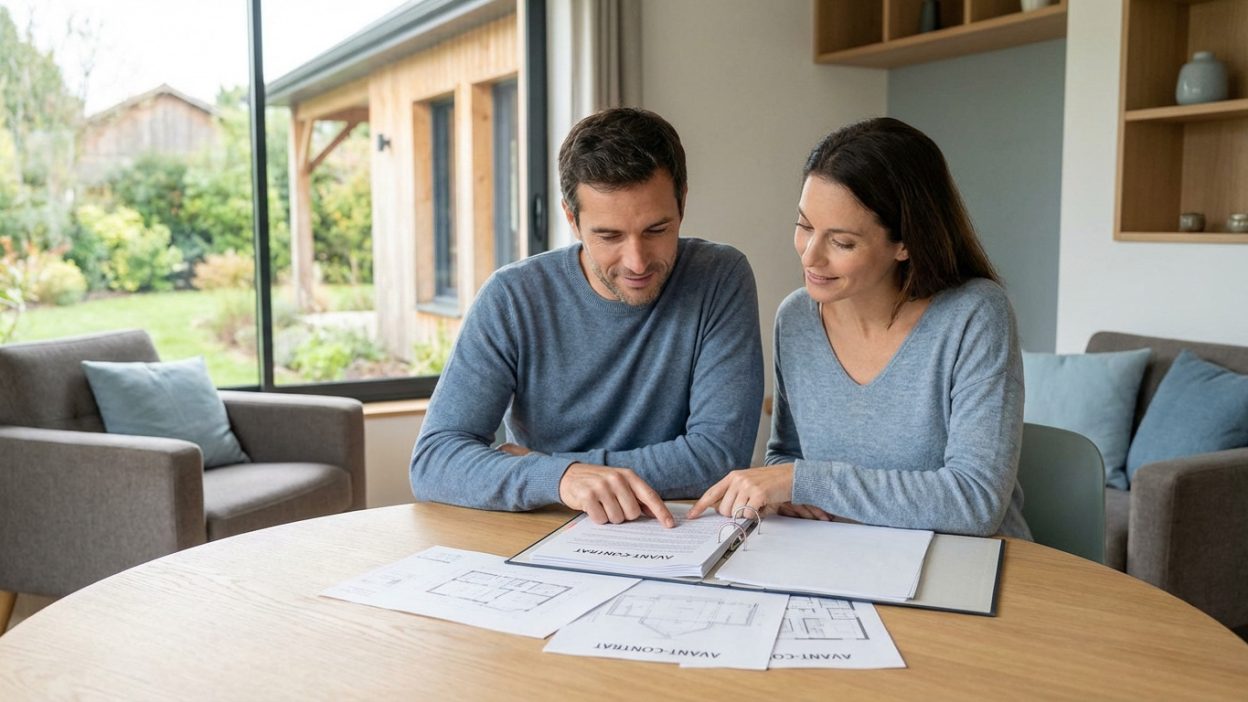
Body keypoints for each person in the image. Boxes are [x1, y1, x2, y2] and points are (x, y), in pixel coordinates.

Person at [410, 107, 763, 528]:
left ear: (682, 203)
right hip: (542, 527)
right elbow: (434, 461)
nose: (637, 262)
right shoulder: (512, 298)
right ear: (572, 219)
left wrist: (550, 468)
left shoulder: (719, 278)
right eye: (609, 236)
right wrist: (561, 481)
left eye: (656, 230)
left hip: (676, 530)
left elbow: (718, 456)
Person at [689, 117, 1031, 539]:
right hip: (844, 558)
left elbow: (976, 501)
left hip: (971, 567)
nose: (810, 257)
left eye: (842, 242)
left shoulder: (974, 315)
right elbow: (788, 457)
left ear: (905, 243)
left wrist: (804, 482)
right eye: (805, 226)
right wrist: (785, 485)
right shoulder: (796, 317)